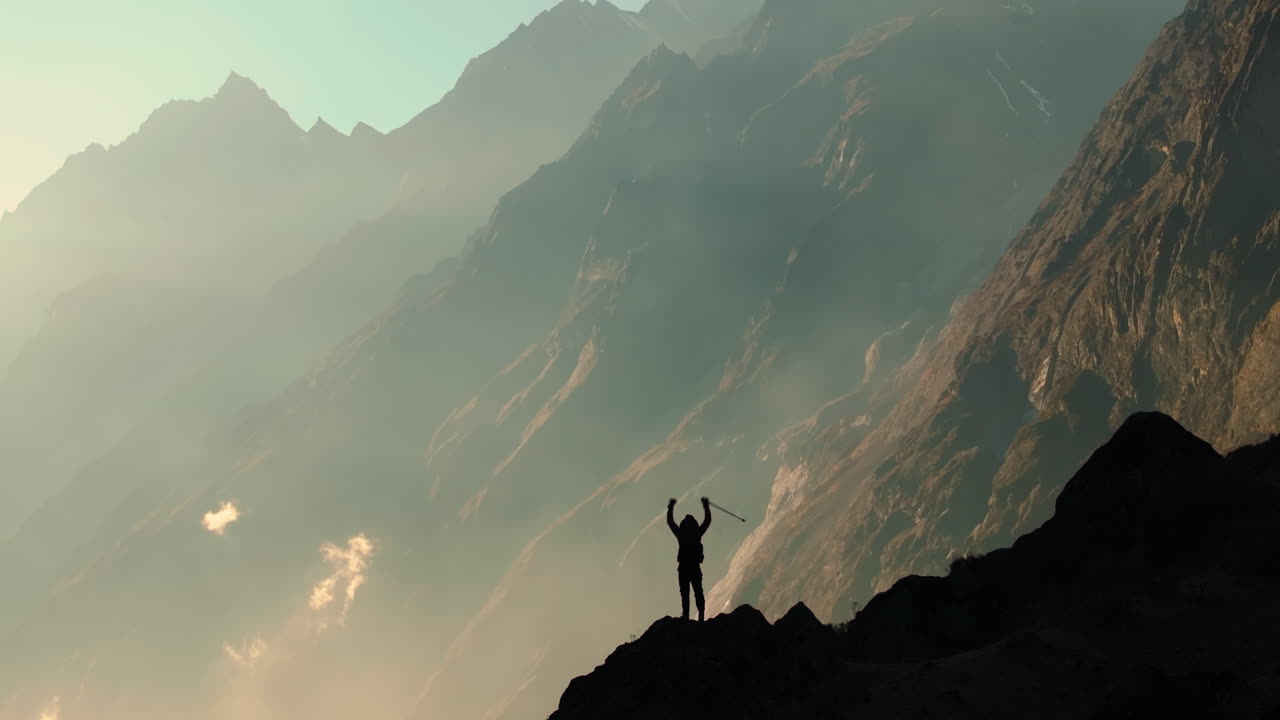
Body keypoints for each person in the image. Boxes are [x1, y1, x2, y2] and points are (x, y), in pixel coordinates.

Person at [666, 496, 711, 621]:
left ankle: (686, 616)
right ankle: (701, 616)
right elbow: (707, 521)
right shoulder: (697, 534)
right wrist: (706, 506)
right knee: (698, 592)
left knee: (685, 594)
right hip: (694, 568)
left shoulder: (681, 535)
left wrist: (670, 507)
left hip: (684, 568)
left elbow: (670, 522)